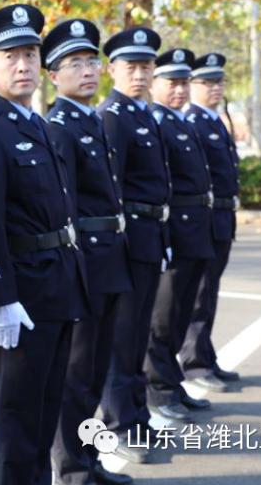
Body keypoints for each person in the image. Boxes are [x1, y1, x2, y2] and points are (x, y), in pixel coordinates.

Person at [0, 3, 89, 485]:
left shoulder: (36, 124)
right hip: (23, 295)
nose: (23, 66)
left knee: (43, 410)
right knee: (14, 418)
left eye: (31, 55)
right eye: (10, 56)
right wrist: (0, 300)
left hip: (56, 285)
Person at [43, 20, 133, 485]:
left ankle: (89, 457)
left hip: (110, 258)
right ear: (53, 76)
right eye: (73, 64)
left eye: (90, 61)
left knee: (96, 370)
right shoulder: (58, 127)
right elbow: (67, 206)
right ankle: (72, 466)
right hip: (86, 263)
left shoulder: (92, 120)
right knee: (77, 373)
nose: (86, 71)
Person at [97, 27, 170, 464]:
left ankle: (138, 415)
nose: (141, 74)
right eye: (132, 67)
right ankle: (120, 423)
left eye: (146, 66)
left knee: (138, 332)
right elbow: (113, 188)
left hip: (150, 236)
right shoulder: (113, 116)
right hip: (128, 239)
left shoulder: (142, 113)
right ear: (113, 70)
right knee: (122, 338)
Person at [143, 48, 215, 422]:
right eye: (172, 82)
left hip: (193, 228)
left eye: (185, 81)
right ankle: (158, 389)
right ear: (155, 84)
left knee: (182, 309)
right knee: (163, 316)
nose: (180, 89)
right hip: (173, 227)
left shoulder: (179, 121)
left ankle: (171, 381)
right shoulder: (156, 121)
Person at [178, 53, 242, 390]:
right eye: (207, 82)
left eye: (219, 81)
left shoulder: (214, 120)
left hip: (221, 217)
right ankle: (194, 363)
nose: (215, 88)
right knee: (199, 295)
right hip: (205, 217)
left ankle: (206, 356)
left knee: (210, 292)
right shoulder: (193, 121)